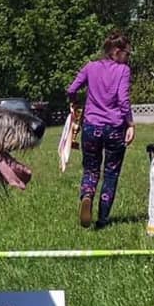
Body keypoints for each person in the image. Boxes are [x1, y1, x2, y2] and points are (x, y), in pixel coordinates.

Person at [66, 31, 136, 228]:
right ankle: (103, 218)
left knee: (91, 169)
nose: (127, 57)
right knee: (111, 173)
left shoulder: (90, 67)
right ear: (116, 51)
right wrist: (130, 123)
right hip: (115, 128)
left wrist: (74, 103)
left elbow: (72, 90)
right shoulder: (123, 70)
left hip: (91, 127)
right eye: (127, 53)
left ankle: (87, 195)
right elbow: (123, 100)